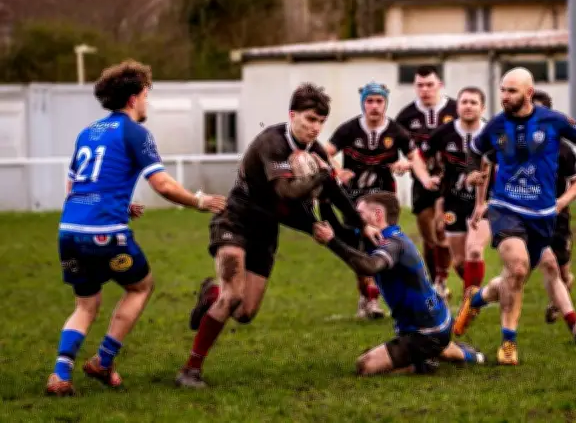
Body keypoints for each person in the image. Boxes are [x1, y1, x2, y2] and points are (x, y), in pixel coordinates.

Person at [176, 83, 383, 388]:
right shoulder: (271, 144)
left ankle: (211, 293)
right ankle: (190, 370)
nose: (315, 128)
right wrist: (321, 174)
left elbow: (335, 194)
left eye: (321, 122)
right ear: (292, 115)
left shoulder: (314, 151)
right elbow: (286, 191)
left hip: (266, 229)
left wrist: (360, 224)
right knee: (234, 294)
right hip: (236, 220)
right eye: (310, 119)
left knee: (245, 313)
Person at [46, 60, 227, 396]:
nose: (147, 103)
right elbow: (163, 185)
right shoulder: (135, 132)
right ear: (132, 98)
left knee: (85, 305)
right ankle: (103, 360)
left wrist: (121, 202)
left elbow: (76, 189)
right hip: (104, 233)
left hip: (69, 231)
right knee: (141, 286)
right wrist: (200, 201)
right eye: (146, 95)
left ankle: (60, 374)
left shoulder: (88, 133)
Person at [453, 67, 576, 365]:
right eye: (502, 89)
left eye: (511, 91)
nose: (504, 96)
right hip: (505, 207)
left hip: (542, 214)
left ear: (528, 93)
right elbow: (474, 150)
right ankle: (508, 343)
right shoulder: (497, 125)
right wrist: (473, 173)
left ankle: (475, 300)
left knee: (516, 276)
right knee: (517, 266)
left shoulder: (552, 121)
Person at [311, 192, 485, 375]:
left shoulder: (393, 244)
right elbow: (340, 232)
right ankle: (458, 353)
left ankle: (426, 362)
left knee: (365, 366)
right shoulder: (376, 236)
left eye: (360, 214)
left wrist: (331, 242)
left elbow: (369, 267)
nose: (356, 218)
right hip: (433, 321)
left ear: (378, 215)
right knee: (425, 346)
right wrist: (324, 198)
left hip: (425, 332)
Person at [325, 81, 419, 319]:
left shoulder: (397, 131)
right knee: (360, 249)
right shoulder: (349, 129)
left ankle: (378, 298)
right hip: (354, 200)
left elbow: (414, 158)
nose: (374, 106)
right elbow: (323, 152)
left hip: (384, 200)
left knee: (382, 247)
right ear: (363, 103)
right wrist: (338, 170)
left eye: (379, 101)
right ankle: (367, 297)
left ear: (385, 103)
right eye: (369, 101)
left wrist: (404, 164)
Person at [411, 86, 492, 301]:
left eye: (473, 102)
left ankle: (469, 304)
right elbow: (418, 156)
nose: (468, 106)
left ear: (482, 107)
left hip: (485, 204)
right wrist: (426, 179)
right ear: (457, 106)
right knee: (458, 261)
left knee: (475, 250)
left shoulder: (493, 134)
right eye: (464, 102)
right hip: (452, 206)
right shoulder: (443, 133)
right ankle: (473, 291)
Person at [396, 65, 459, 291]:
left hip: (451, 184)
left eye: (430, 85)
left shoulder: (457, 109)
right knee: (429, 237)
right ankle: (435, 281)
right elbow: (395, 150)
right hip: (421, 184)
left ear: (440, 85)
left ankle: (442, 280)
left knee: (444, 231)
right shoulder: (406, 117)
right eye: (420, 85)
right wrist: (401, 162)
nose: (425, 90)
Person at [527, 90, 576, 324]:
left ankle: (560, 296)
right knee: (541, 265)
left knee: (562, 272)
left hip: (556, 217)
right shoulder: (514, 144)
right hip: (526, 217)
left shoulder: (563, 150)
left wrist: (561, 202)